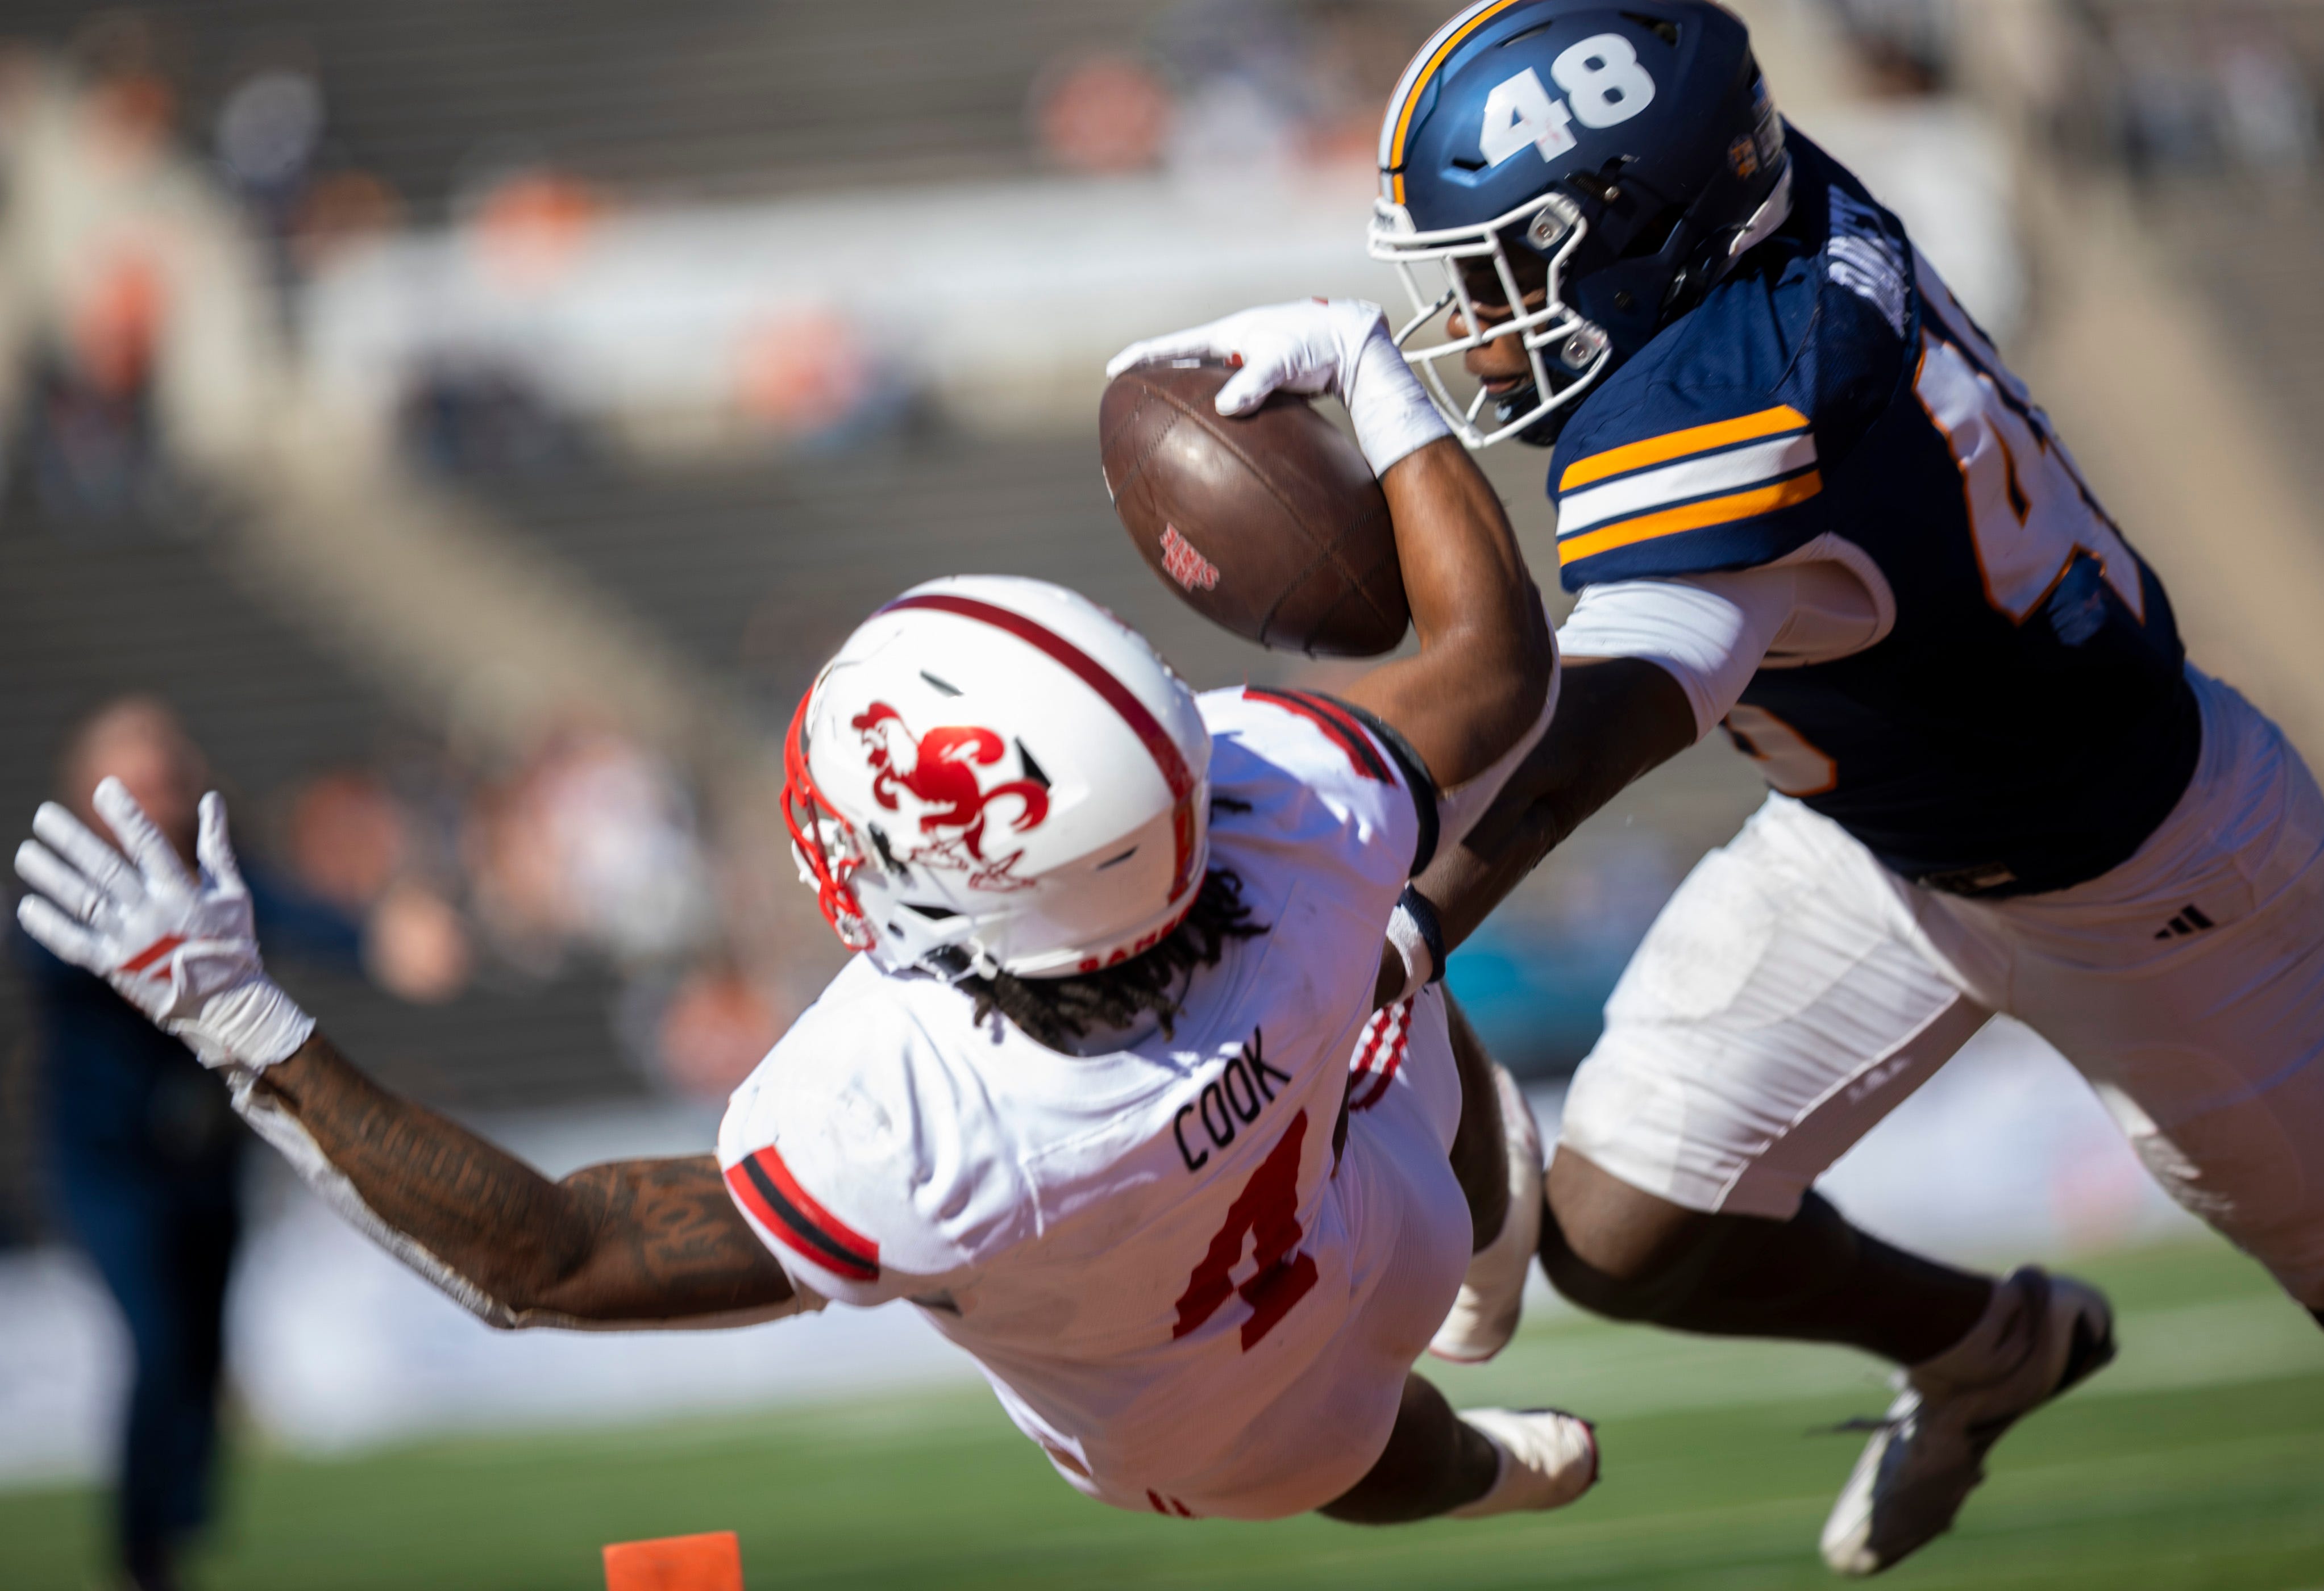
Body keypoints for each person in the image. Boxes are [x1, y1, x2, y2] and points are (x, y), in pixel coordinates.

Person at [1136, 0, 2324, 1577]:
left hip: (2154, 874)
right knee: (1620, 1231)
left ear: (1642, 224)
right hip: (1888, 836)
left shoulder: (1743, 407)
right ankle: (1989, 1350)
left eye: (1514, 273)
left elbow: (1547, 748)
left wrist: (1370, 933)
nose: (1490, 325)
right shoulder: (1773, 217)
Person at [13, 311, 1589, 1526]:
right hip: (1376, 1208)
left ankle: (1487, 1465)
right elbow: (1496, 664)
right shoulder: (1292, 819)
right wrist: (1365, 359)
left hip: (1197, 1425)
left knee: (1350, 1448)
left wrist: (251, 1028)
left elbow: (545, 1262)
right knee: (1388, 945)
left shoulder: (917, 1116)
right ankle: (1486, 1255)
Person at [13, 698, 368, 1591]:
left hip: (206, 1158)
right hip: (108, 1163)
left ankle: (176, 1529)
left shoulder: (221, 871)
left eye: (171, 779)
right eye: (140, 783)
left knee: (203, 1345)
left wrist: (383, 940)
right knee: (160, 1338)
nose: (162, 798)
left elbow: (293, 912)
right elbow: (55, 964)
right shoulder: (73, 884)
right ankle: (143, 1555)